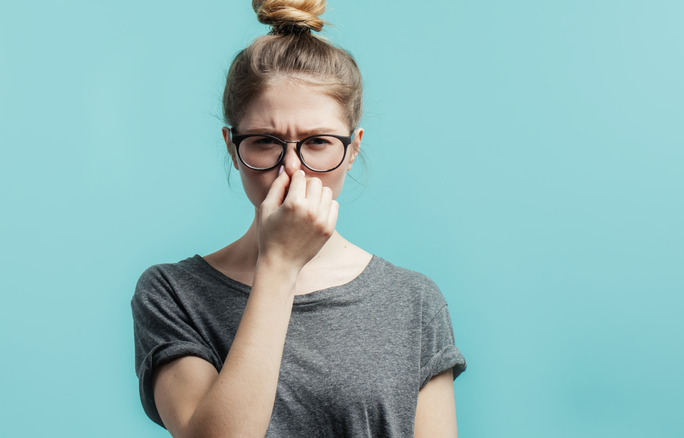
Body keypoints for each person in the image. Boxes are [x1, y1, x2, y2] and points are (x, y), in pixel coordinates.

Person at [131, 0, 466, 436]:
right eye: (265, 141)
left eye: (318, 142)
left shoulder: (414, 301)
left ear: (354, 147)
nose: (292, 168)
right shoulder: (173, 294)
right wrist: (279, 264)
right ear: (233, 148)